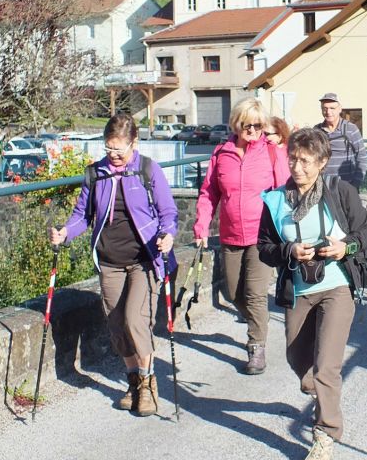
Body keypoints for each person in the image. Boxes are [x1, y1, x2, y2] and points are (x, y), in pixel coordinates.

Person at [257, 128, 367, 460]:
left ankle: (325, 435)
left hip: (337, 286)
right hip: (298, 290)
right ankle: (321, 395)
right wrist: (288, 250)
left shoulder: (341, 193)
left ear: (323, 163)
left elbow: (364, 239)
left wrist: (344, 248)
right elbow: (264, 247)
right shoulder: (276, 200)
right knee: (298, 360)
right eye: (293, 159)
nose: (297, 167)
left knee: (327, 366)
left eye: (306, 161)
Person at [48, 113, 177, 416]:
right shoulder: (95, 174)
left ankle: (147, 384)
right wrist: (65, 232)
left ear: (134, 142)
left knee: (135, 320)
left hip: (144, 260)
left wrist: (167, 235)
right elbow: (82, 215)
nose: (114, 155)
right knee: (117, 325)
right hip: (109, 261)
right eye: (108, 148)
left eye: (119, 149)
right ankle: (133, 380)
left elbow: (168, 212)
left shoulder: (148, 170)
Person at [194, 98, 290, 375]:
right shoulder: (221, 153)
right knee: (234, 292)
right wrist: (201, 225)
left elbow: (285, 194)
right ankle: (258, 324)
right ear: (236, 124)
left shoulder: (272, 153)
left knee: (255, 294)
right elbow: (209, 193)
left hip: (263, 236)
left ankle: (256, 346)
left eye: (258, 126)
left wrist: (285, 232)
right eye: (247, 125)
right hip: (231, 234)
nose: (253, 131)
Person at [314, 93, 367, 188]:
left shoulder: (351, 129)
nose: (328, 112)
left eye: (332, 108)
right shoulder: (316, 131)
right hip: (323, 186)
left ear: (340, 109)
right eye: (325, 108)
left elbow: (362, 156)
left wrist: (356, 183)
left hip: (347, 185)